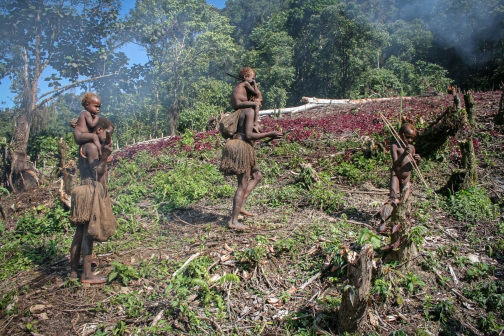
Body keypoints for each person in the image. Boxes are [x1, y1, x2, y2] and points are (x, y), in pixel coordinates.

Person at [220, 92, 283, 231]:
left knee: (257, 176)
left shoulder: (247, 112)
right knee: (242, 184)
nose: (260, 104)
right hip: (240, 147)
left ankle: (240, 205)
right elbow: (248, 134)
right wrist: (269, 134)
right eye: (260, 101)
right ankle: (233, 221)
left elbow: (251, 132)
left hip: (245, 147)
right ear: (252, 99)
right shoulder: (248, 110)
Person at [69, 117, 116, 284]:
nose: (106, 137)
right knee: (88, 234)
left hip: (82, 189)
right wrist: (104, 157)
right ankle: (87, 274)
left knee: (80, 233)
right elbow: (97, 173)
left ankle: (74, 271)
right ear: (98, 130)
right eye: (106, 133)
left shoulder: (85, 145)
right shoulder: (92, 148)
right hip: (90, 191)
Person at [378, 123, 421, 233]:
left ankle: (400, 224)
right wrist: (403, 154)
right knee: (393, 199)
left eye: (412, 138)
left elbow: (413, 166)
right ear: (401, 135)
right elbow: (395, 164)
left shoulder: (412, 148)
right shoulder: (395, 146)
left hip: (406, 177)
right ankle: (384, 222)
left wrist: (418, 160)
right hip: (396, 175)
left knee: (404, 200)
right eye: (408, 137)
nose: (410, 140)